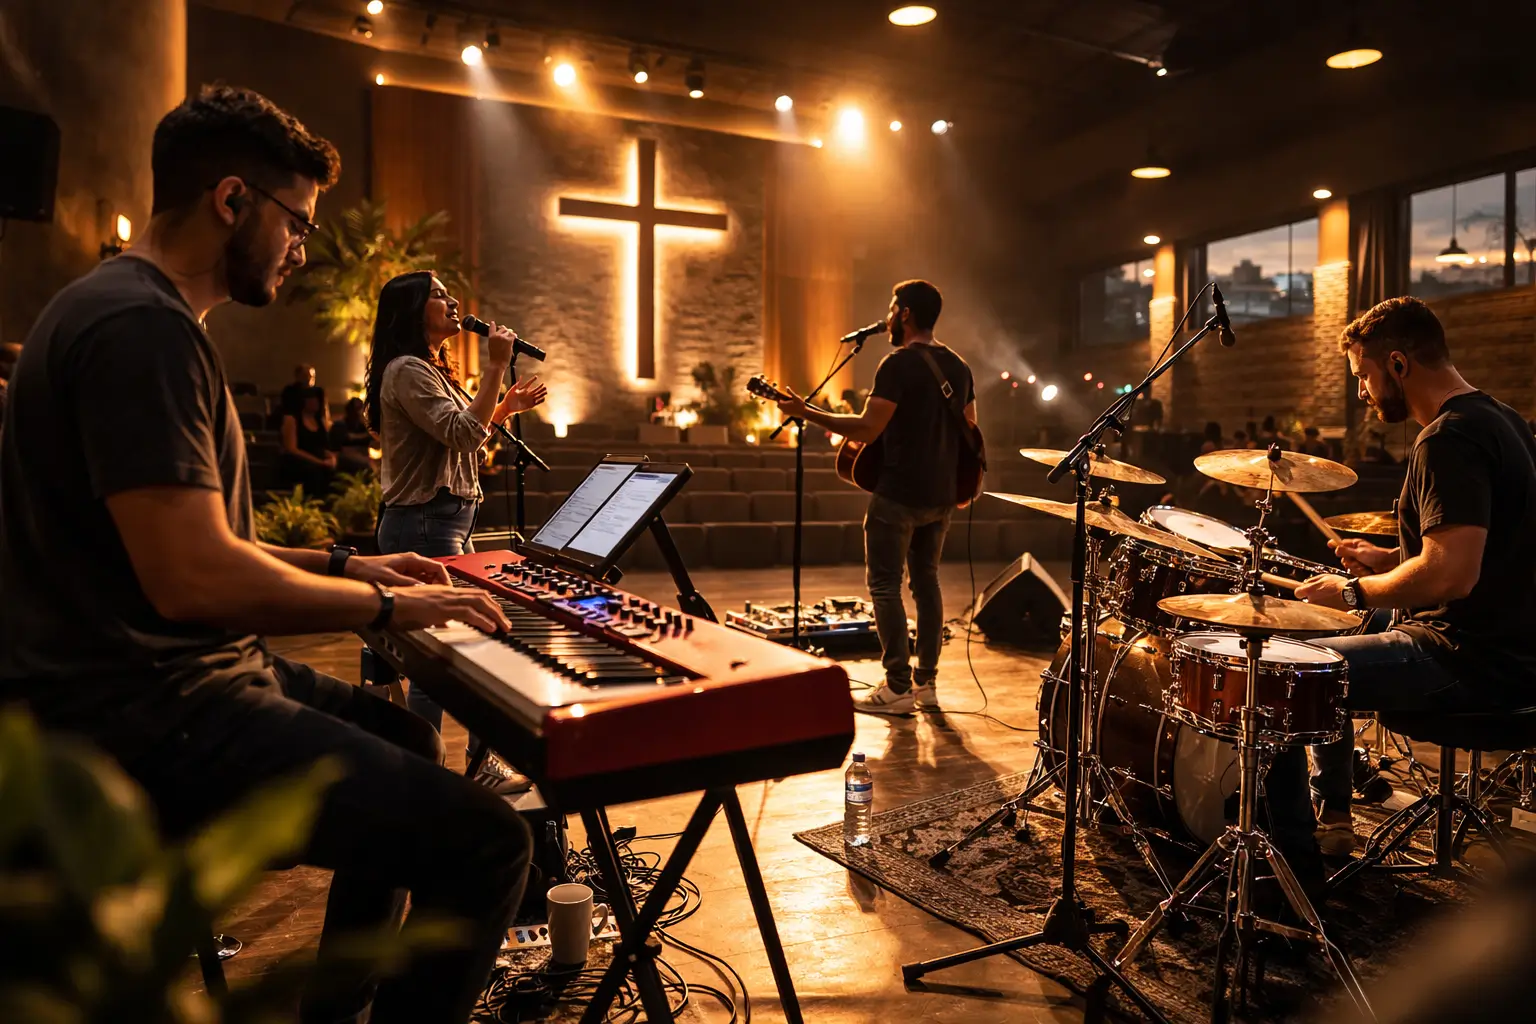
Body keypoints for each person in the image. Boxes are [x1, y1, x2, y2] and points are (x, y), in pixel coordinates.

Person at [0, 85, 531, 1024]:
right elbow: (193, 577)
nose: (303, 248)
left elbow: (204, 539)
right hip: (150, 708)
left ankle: (335, 1005)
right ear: (232, 200)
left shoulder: (141, 315)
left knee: (404, 734)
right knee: (486, 844)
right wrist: (390, 610)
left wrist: (354, 567)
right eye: (298, 222)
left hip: (174, 678)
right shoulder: (140, 329)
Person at [1270, 296, 1536, 859]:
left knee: (1281, 675)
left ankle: (1288, 865)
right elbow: (1485, 550)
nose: (1362, 392)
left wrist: (1350, 588)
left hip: (1467, 658)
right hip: (1516, 648)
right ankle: (1335, 813)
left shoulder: (1448, 439)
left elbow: (1451, 576)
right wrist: (1389, 557)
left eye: (1363, 376)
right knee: (1314, 643)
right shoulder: (1503, 419)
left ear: (1397, 364)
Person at [364, 270, 546, 761]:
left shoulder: (430, 369)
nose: (452, 300)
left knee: (464, 644)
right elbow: (465, 435)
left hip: (445, 523)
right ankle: (428, 769)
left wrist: (502, 408)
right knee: (446, 654)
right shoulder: (406, 370)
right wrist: (495, 368)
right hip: (424, 523)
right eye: (438, 294)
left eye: (449, 293)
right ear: (411, 309)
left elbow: (466, 437)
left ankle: (471, 763)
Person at [774, 279, 976, 716]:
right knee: (927, 583)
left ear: (904, 313)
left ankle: (897, 687)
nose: (886, 317)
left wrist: (805, 411)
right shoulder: (958, 367)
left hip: (899, 495)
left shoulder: (896, 364)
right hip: (940, 497)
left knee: (884, 585)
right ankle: (926, 684)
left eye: (891, 308)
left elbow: (868, 429)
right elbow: (970, 431)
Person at [279, 383, 335, 494]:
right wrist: (319, 462)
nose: (315, 402)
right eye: (311, 399)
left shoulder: (319, 421)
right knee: (315, 473)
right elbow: (292, 449)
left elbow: (324, 446)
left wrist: (332, 458)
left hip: (318, 459)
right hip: (298, 460)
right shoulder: (292, 419)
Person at [330, 395, 376, 473]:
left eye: (361, 408)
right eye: (357, 408)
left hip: (363, 456)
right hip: (346, 458)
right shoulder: (340, 425)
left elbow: (373, 440)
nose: (359, 411)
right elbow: (341, 444)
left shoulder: (362, 425)